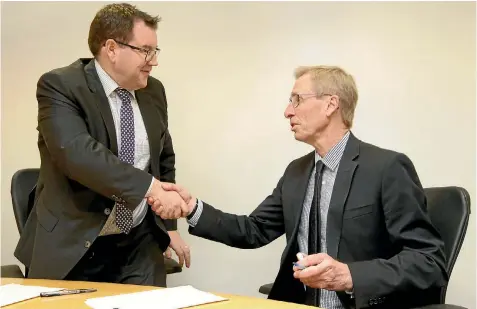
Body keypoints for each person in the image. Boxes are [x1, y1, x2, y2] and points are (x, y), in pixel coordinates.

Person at [152, 66, 448, 308]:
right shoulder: (297, 172)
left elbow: (429, 261)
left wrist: (348, 275)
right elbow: (253, 230)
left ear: (331, 104)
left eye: (297, 100)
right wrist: (191, 209)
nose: (287, 111)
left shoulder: (386, 167)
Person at [14, 3, 191, 287]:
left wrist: (169, 227)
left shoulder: (153, 91)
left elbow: (164, 159)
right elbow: (79, 155)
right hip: (75, 242)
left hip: (138, 240)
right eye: (145, 50)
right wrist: (152, 188)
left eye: (155, 51)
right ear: (111, 48)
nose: (153, 60)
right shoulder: (60, 85)